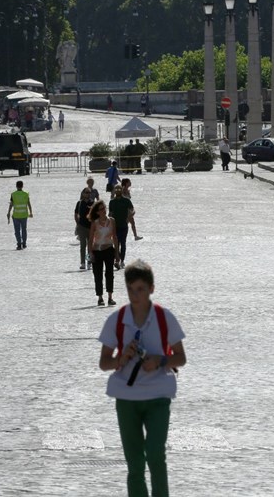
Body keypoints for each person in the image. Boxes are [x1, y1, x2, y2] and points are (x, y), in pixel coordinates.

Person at [98, 260, 186, 497]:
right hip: (126, 399)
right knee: (135, 463)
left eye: (140, 289)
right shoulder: (117, 320)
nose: (135, 295)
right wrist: (121, 357)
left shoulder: (164, 318)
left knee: (156, 455)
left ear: (151, 289)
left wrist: (160, 360)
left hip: (158, 395)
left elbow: (181, 358)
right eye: (130, 289)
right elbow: (104, 363)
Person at [88, 199, 118, 306]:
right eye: (101, 209)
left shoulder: (112, 221)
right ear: (97, 212)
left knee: (110, 274)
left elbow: (114, 237)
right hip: (97, 251)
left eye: (104, 208)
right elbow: (91, 239)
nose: (103, 211)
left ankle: (110, 297)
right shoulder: (94, 223)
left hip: (109, 249)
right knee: (98, 275)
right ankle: (100, 297)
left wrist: (117, 254)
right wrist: (90, 254)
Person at [109, 186, 135, 270]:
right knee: (116, 244)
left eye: (119, 189)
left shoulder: (126, 200)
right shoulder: (112, 202)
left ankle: (122, 260)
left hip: (123, 225)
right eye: (116, 189)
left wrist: (129, 216)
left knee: (123, 243)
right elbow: (110, 213)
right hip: (114, 226)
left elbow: (132, 210)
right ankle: (117, 258)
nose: (117, 191)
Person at [7, 180, 33, 250]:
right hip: (24, 215)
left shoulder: (13, 194)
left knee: (17, 231)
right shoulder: (26, 194)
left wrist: (8, 212)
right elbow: (29, 204)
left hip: (16, 215)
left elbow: (11, 204)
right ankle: (24, 243)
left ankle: (19, 244)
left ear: (16, 186)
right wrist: (31, 212)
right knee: (24, 230)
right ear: (22, 186)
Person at [74, 187, 95, 270]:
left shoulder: (93, 203)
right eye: (86, 192)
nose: (88, 194)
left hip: (91, 227)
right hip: (82, 227)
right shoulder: (79, 203)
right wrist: (77, 223)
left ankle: (89, 262)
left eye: (89, 192)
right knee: (82, 246)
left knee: (90, 246)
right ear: (83, 193)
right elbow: (76, 214)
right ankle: (82, 263)